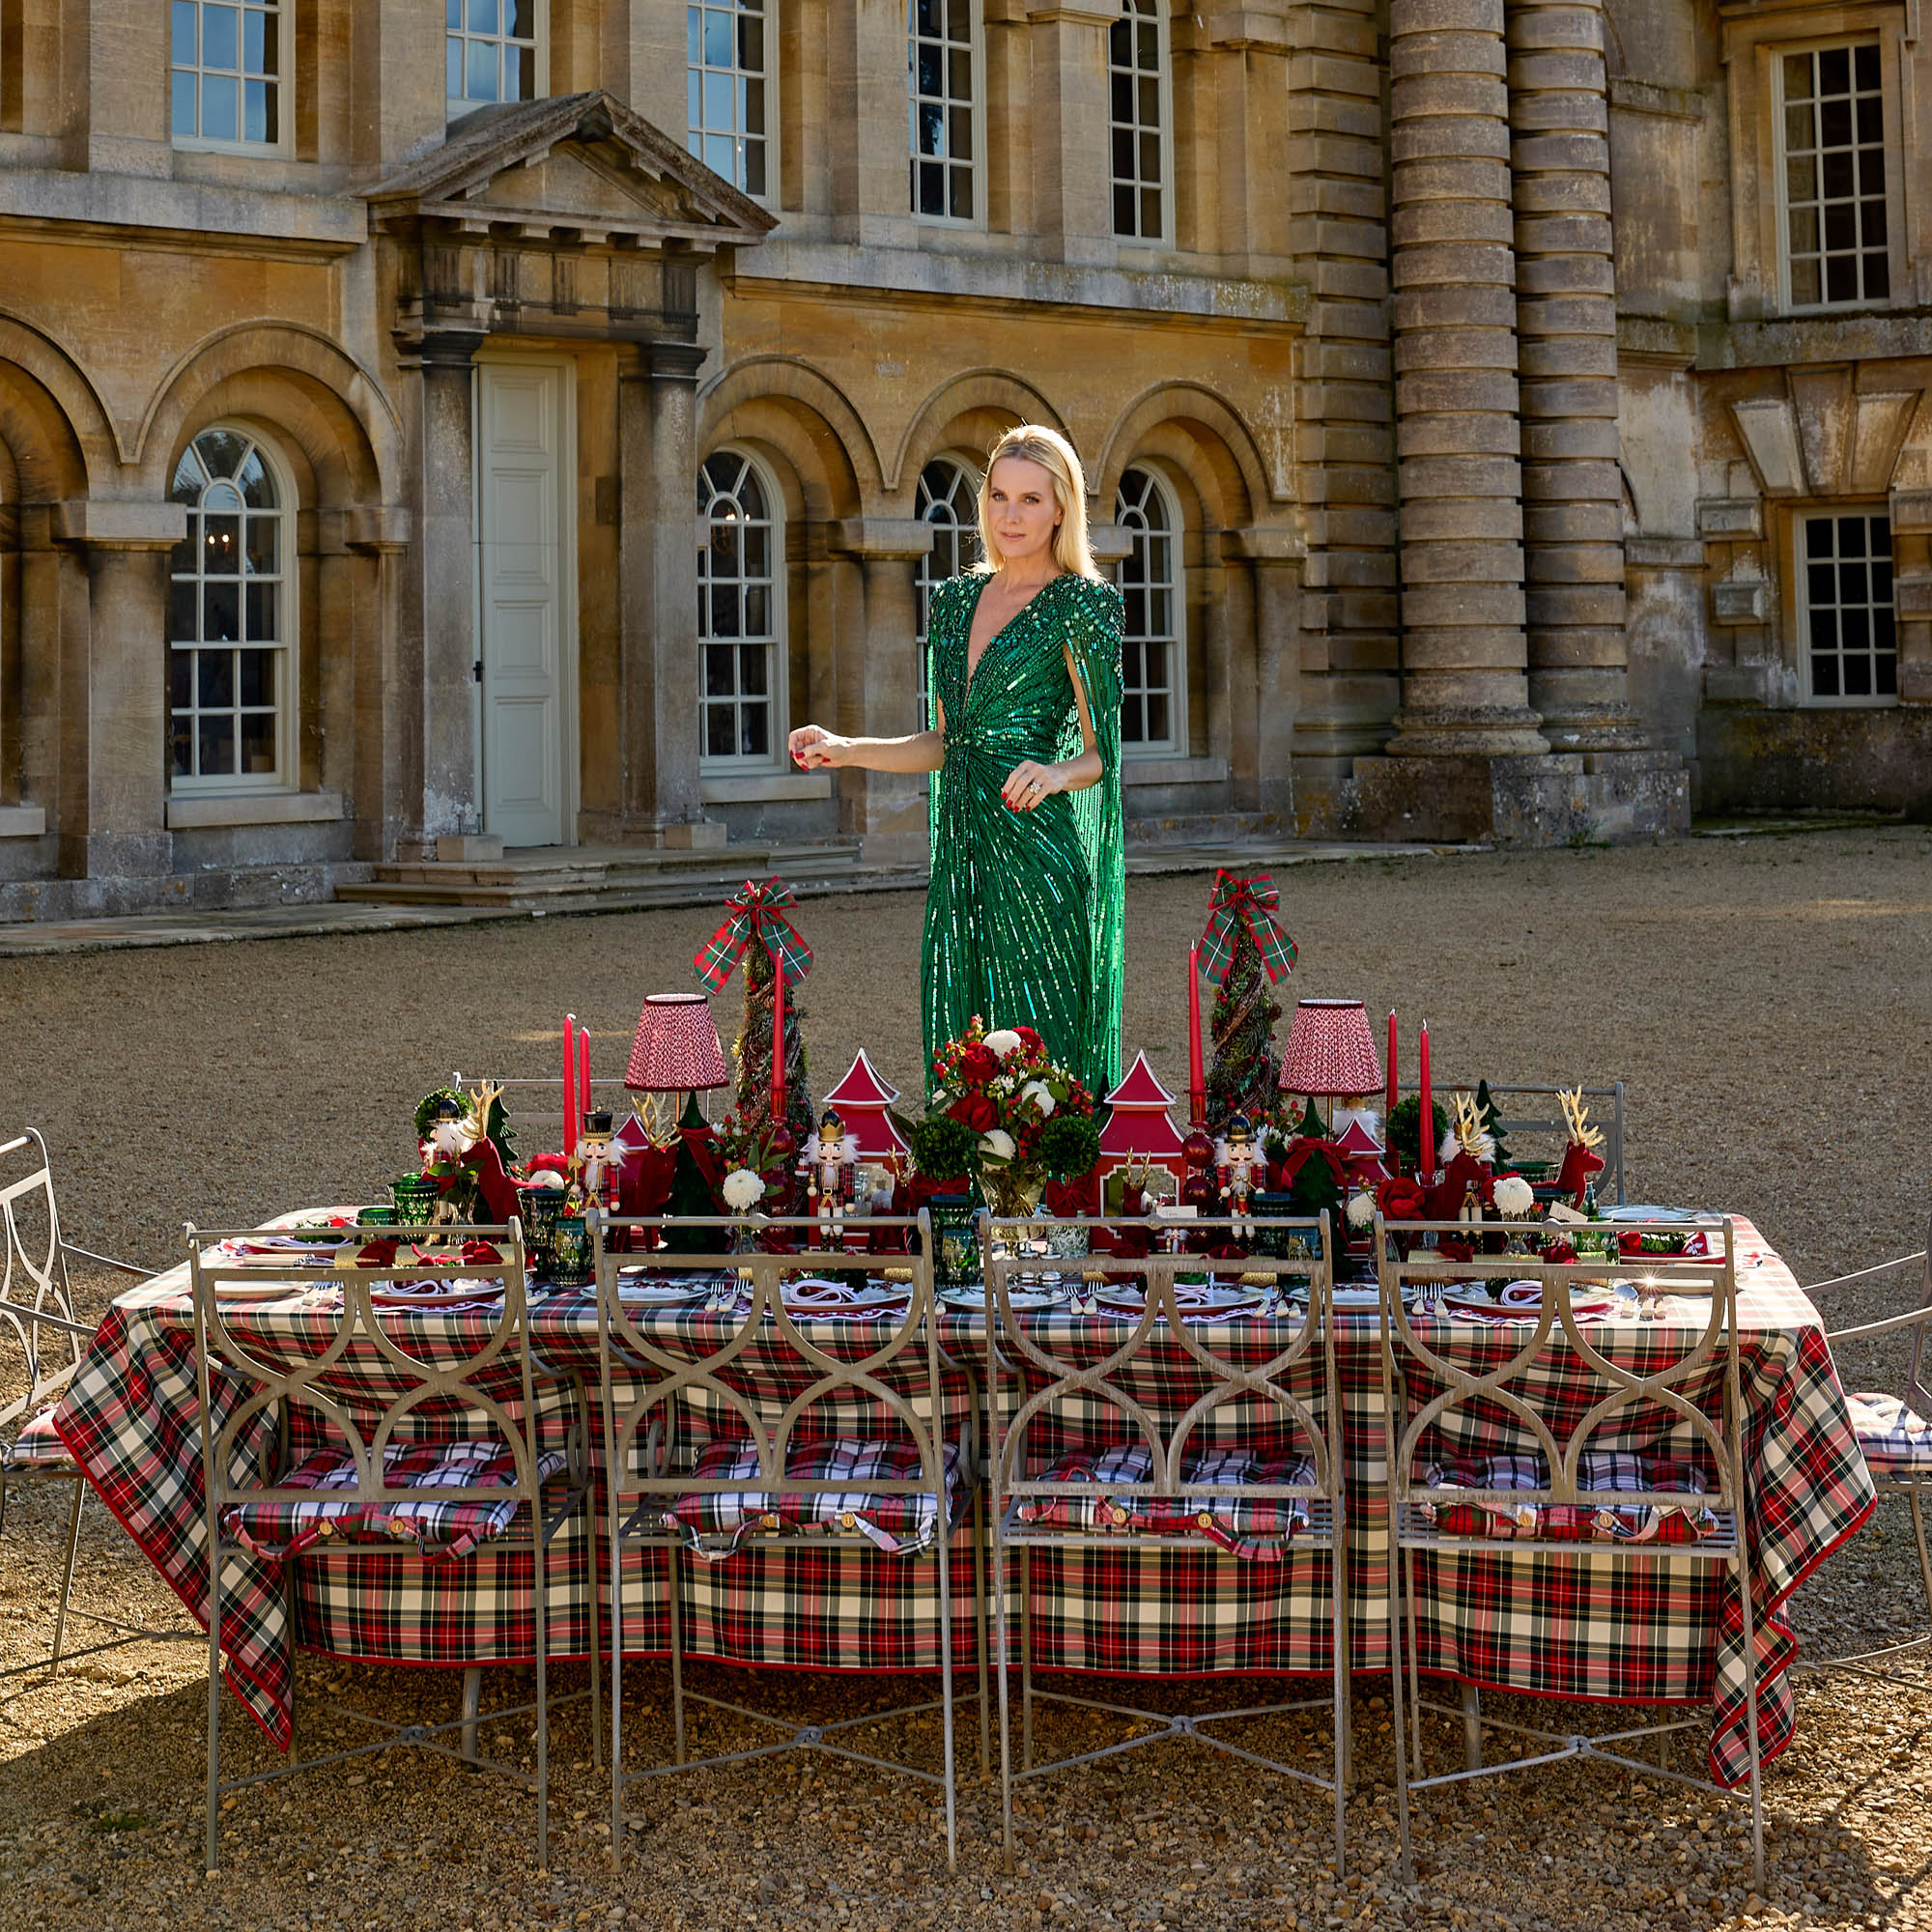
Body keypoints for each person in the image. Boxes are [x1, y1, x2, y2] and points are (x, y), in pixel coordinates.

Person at [787, 424, 1124, 1097]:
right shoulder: (954, 603)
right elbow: (946, 742)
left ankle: (1049, 1197)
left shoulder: (1083, 607)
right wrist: (846, 748)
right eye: (999, 496)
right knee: (966, 1044)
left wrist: (1056, 773)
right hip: (962, 859)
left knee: (1042, 1045)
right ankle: (968, 1197)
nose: (1011, 515)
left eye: (1031, 499)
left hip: (1038, 857)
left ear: (1062, 507)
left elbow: (1100, 757)